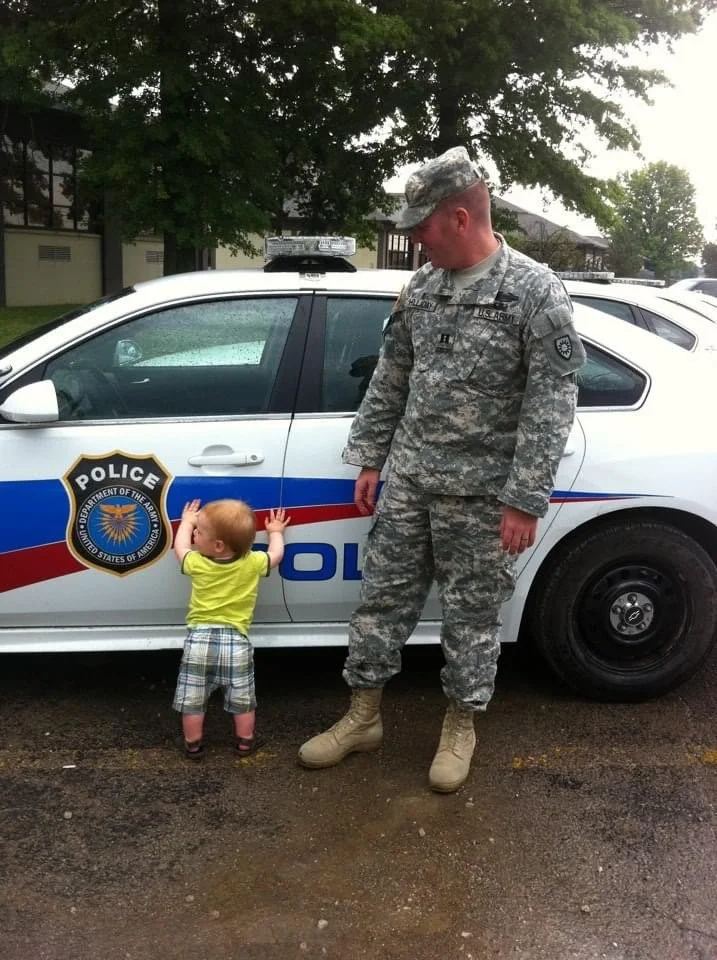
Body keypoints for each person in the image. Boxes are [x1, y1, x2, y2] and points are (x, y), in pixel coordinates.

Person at [298, 146, 585, 792]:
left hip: (483, 497)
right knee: (380, 603)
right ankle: (362, 716)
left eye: (421, 225)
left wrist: (523, 499)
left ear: (458, 217)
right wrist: (371, 456)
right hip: (411, 481)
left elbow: (551, 401)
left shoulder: (533, 291)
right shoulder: (421, 288)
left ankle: (459, 726)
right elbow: (391, 376)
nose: (412, 237)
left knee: (471, 616)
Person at [172, 498, 290, 761]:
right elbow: (276, 556)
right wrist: (275, 532)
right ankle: (245, 743)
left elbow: (179, 548)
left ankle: (193, 745)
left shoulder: (197, 563)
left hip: (199, 641)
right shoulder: (252, 562)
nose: (194, 535)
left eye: (199, 532)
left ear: (217, 545)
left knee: (193, 697)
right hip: (237, 641)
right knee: (242, 697)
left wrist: (186, 521)